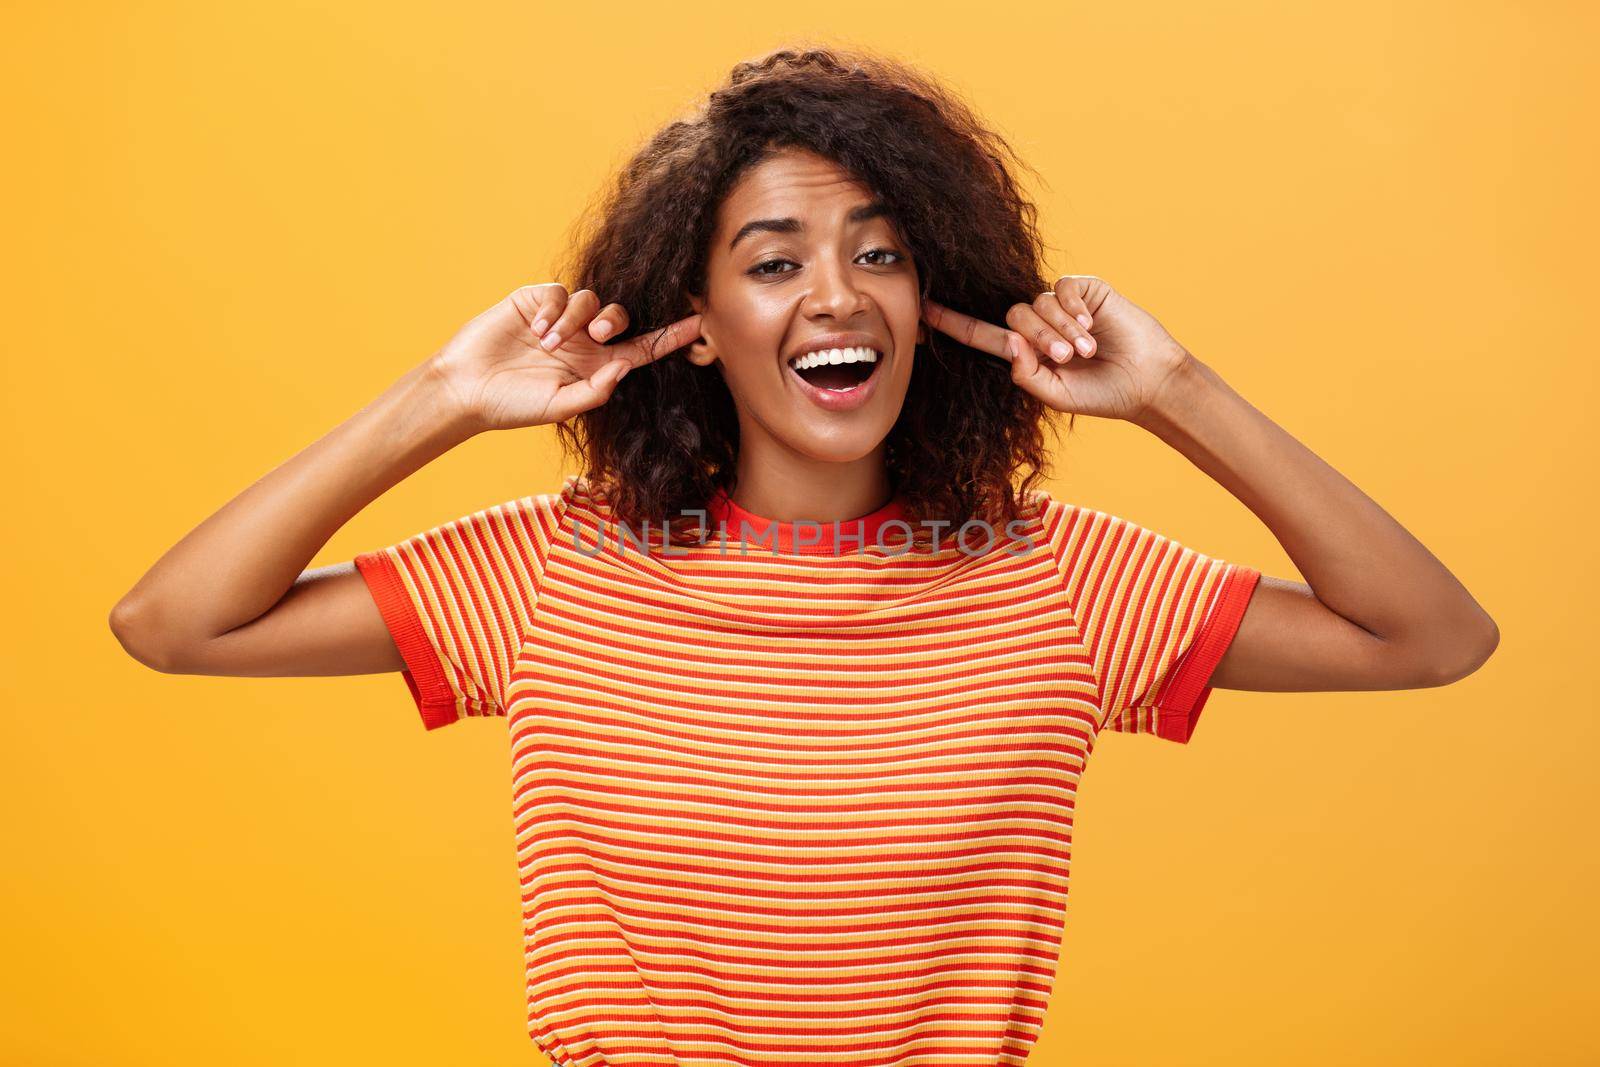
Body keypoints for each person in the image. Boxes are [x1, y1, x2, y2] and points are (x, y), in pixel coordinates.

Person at [109, 45, 1498, 1067]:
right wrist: (444, 397)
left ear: (933, 296)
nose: (835, 294)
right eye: (773, 263)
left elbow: (1432, 638)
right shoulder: (552, 575)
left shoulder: (1059, 582)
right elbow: (176, 622)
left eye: (881, 254)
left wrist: (1178, 388)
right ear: (695, 318)